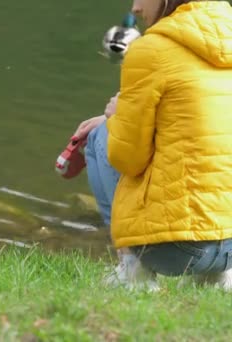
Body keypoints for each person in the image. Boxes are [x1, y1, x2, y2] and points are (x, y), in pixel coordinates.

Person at [75, 0, 232, 290]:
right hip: (230, 248)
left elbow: (127, 159)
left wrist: (117, 119)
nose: (134, 8)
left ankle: (135, 270)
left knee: (100, 137)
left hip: (174, 251)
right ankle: (217, 277)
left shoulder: (150, 50)